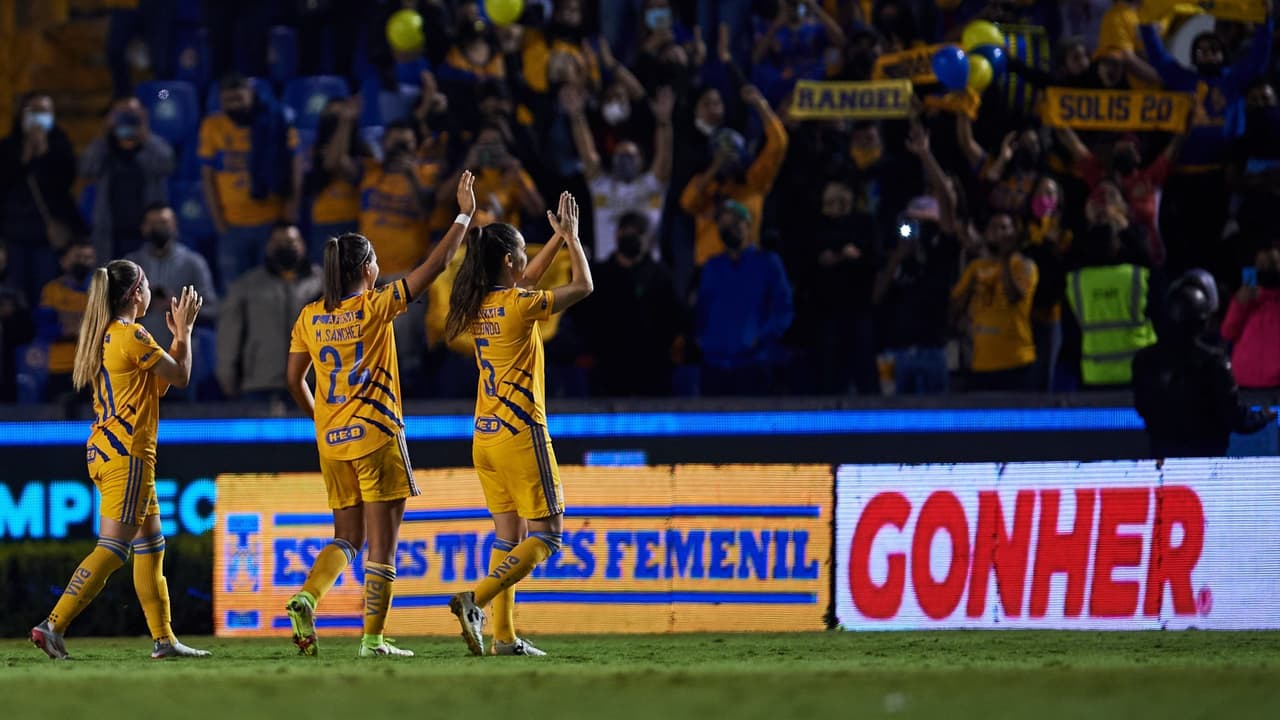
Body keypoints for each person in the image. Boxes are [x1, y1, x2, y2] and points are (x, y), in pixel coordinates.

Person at [281, 171, 477, 659]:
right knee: (382, 550)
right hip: (377, 437)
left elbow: (293, 380)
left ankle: (308, 596)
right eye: (375, 261)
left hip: (333, 443)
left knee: (345, 538)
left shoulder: (309, 316)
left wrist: (321, 422)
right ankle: (372, 640)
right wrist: (464, 214)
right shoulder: (375, 306)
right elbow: (435, 266)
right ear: (366, 268)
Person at [30, 260, 208, 660]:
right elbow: (180, 377)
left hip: (108, 451)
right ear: (134, 294)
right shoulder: (133, 334)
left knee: (151, 545)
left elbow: (159, 386)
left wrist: (179, 336)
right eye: (145, 284)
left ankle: (164, 640)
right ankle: (52, 624)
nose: (149, 290)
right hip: (128, 454)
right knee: (113, 548)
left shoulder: (108, 336)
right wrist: (187, 332)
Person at [445, 191, 594, 657]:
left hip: (484, 437)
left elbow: (524, 278)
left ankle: (504, 638)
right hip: (520, 433)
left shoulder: (478, 304)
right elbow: (584, 285)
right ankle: (477, 602)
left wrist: (553, 238)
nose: (531, 262)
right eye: (525, 254)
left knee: (508, 539)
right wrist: (571, 239)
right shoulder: (519, 305)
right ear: (510, 260)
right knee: (547, 536)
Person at [1133, 272, 1276, 458]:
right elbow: (1236, 419)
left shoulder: (1144, 360)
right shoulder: (1215, 362)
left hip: (1164, 461)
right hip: (1206, 464)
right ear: (1204, 320)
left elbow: (1143, 408)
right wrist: (1263, 416)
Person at [199, 74, 298, 286]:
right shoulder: (212, 126)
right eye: (228, 101)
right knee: (234, 292)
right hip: (232, 225)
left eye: (239, 99)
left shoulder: (275, 120)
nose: (234, 105)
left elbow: (294, 166)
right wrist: (219, 222)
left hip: (271, 222)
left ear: (251, 96)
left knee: (273, 288)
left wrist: (290, 210)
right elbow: (207, 178)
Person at [680, 84, 788, 266]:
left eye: (732, 152)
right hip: (710, 266)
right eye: (722, 153)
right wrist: (714, 170)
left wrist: (760, 104)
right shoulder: (706, 186)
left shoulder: (755, 181)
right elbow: (687, 203)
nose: (728, 158)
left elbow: (778, 144)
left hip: (748, 264)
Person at [695, 200, 794, 395]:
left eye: (734, 223)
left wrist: (761, 338)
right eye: (723, 224)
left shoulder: (768, 263)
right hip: (714, 364)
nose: (728, 229)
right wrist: (704, 341)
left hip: (754, 364)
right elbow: (702, 309)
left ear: (748, 226)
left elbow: (783, 309)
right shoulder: (712, 267)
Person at [568, 85, 675, 262]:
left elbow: (664, 159)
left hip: (647, 271)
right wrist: (577, 116)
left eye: (630, 156)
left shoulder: (652, 184)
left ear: (642, 161)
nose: (625, 161)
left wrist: (664, 122)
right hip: (609, 271)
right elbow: (587, 155)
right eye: (620, 156)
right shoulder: (602, 186)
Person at [217, 223, 323, 402]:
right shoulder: (248, 284)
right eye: (278, 242)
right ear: (268, 247)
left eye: (290, 241)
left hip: (311, 382)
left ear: (303, 245)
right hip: (260, 382)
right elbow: (230, 331)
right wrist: (226, 371)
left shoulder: (323, 283)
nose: (285, 247)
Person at [582, 211, 682, 396]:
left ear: (647, 239)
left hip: (653, 372)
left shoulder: (661, 277)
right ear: (617, 234)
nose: (631, 237)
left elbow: (673, 320)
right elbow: (585, 320)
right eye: (627, 231)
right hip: (607, 372)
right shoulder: (598, 276)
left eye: (638, 232)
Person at [0, 93, 82, 304]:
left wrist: (45, 153)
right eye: (33, 111)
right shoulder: (8, 146)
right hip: (14, 236)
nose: (39, 117)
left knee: (46, 295)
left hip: (48, 236)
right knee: (16, 296)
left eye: (44, 111)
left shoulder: (61, 145)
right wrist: (25, 157)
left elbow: (65, 184)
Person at [950, 212, 1039, 391]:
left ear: (1013, 233)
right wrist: (970, 287)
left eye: (1005, 228)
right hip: (981, 364)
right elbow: (954, 309)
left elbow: (1014, 297)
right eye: (994, 228)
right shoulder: (976, 268)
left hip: (1017, 362)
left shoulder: (1024, 265)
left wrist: (1005, 259)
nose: (999, 232)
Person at [80, 97, 175, 260]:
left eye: (131, 113)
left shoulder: (151, 145)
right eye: (121, 113)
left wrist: (145, 134)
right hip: (110, 234)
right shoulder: (105, 148)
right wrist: (107, 132)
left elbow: (167, 164)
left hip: (146, 232)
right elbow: (86, 168)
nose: (126, 117)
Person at [125, 204, 219, 352]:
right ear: (144, 228)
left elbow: (212, 309)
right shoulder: (131, 265)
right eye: (153, 224)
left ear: (174, 225)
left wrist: (179, 307)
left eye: (163, 223)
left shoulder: (193, 263)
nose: (158, 228)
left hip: (181, 352)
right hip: (137, 351)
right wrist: (142, 304)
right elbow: (113, 309)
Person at [35, 241, 97, 402]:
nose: (83, 261)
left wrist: (69, 324)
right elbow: (44, 329)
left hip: (93, 370)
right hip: (60, 369)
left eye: (88, 257)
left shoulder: (100, 293)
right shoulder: (52, 290)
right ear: (64, 261)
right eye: (78, 257)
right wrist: (78, 329)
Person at [1221, 247, 1280, 389]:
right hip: (1245, 385)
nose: (1264, 272)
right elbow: (1228, 333)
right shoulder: (1245, 300)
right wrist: (1239, 304)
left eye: (1271, 266)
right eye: (1260, 267)